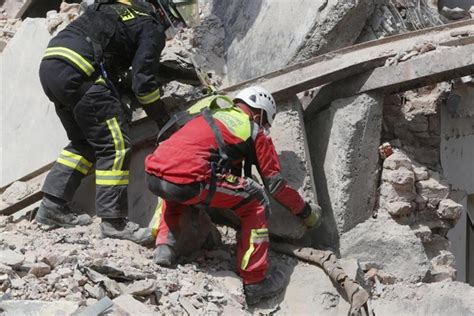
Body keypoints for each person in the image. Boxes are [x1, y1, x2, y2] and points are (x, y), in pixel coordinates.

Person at [35, 0, 199, 245]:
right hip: (82, 70)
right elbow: (143, 85)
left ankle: (51, 206)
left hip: (51, 65)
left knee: (85, 142)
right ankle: (114, 223)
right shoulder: (150, 25)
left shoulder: (110, 9)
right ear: (160, 11)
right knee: (116, 145)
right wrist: (161, 117)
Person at [144, 86, 322, 304]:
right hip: (190, 180)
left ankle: (165, 248)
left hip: (153, 174)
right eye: (265, 122)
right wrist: (305, 212)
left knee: (177, 187)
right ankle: (255, 282)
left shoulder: (211, 114)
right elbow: (275, 186)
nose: (264, 127)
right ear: (259, 114)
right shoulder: (253, 130)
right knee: (256, 200)